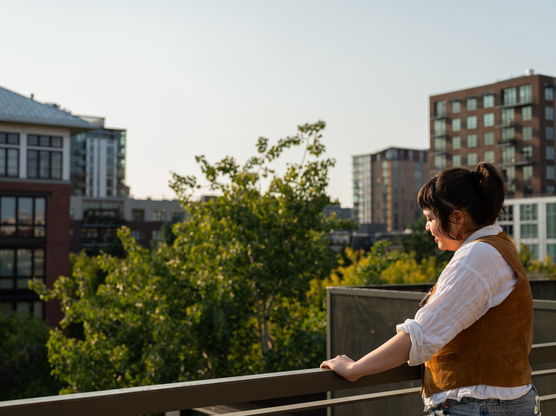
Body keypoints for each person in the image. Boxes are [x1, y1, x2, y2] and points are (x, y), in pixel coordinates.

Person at [320, 162, 541, 415]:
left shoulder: (477, 256)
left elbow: (421, 335)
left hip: (479, 406)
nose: (427, 228)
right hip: (498, 403)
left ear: (457, 218)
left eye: (431, 218)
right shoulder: (498, 246)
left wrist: (354, 369)